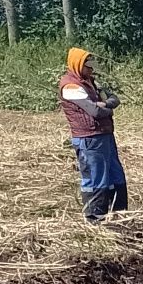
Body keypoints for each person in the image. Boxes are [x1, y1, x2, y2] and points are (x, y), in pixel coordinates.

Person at [57, 47, 127, 221]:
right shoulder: (70, 86)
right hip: (89, 139)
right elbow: (94, 112)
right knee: (96, 178)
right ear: (78, 64)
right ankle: (95, 218)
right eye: (88, 66)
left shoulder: (92, 82)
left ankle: (119, 215)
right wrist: (105, 108)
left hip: (104, 134)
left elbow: (114, 99)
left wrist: (105, 105)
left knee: (115, 174)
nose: (91, 69)